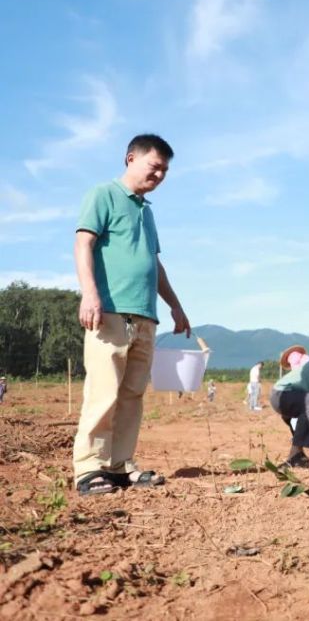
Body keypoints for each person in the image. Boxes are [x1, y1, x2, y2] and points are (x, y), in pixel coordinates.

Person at [72, 134, 190, 496]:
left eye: (165, 171)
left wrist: (175, 305)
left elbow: (154, 263)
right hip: (110, 311)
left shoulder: (146, 210)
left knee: (132, 395)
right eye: (154, 166)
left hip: (144, 315)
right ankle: (90, 468)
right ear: (130, 159)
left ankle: (120, 464)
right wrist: (90, 295)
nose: (159, 175)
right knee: (104, 391)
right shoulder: (103, 194)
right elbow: (83, 243)